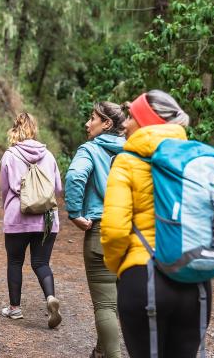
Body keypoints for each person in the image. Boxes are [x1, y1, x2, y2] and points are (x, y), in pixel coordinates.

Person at [100, 90, 210, 358]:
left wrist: (123, 269)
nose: (125, 124)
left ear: (146, 122)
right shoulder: (196, 160)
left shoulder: (127, 162)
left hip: (144, 276)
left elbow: (114, 232)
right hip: (196, 282)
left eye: (131, 116)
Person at [65, 102, 125, 358]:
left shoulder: (89, 149)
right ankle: (101, 351)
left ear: (107, 124)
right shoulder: (133, 151)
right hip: (133, 233)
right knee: (119, 301)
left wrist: (75, 213)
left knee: (105, 305)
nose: (87, 124)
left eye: (92, 118)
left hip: (102, 230)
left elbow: (75, 177)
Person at [0, 112, 63, 329]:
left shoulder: (9, 155)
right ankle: (50, 298)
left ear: (15, 129)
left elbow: (5, 189)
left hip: (18, 216)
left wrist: (8, 209)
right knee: (41, 263)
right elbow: (57, 189)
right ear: (34, 129)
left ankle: (15, 309)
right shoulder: (49, 155)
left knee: (15, 262)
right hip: (46, 218)